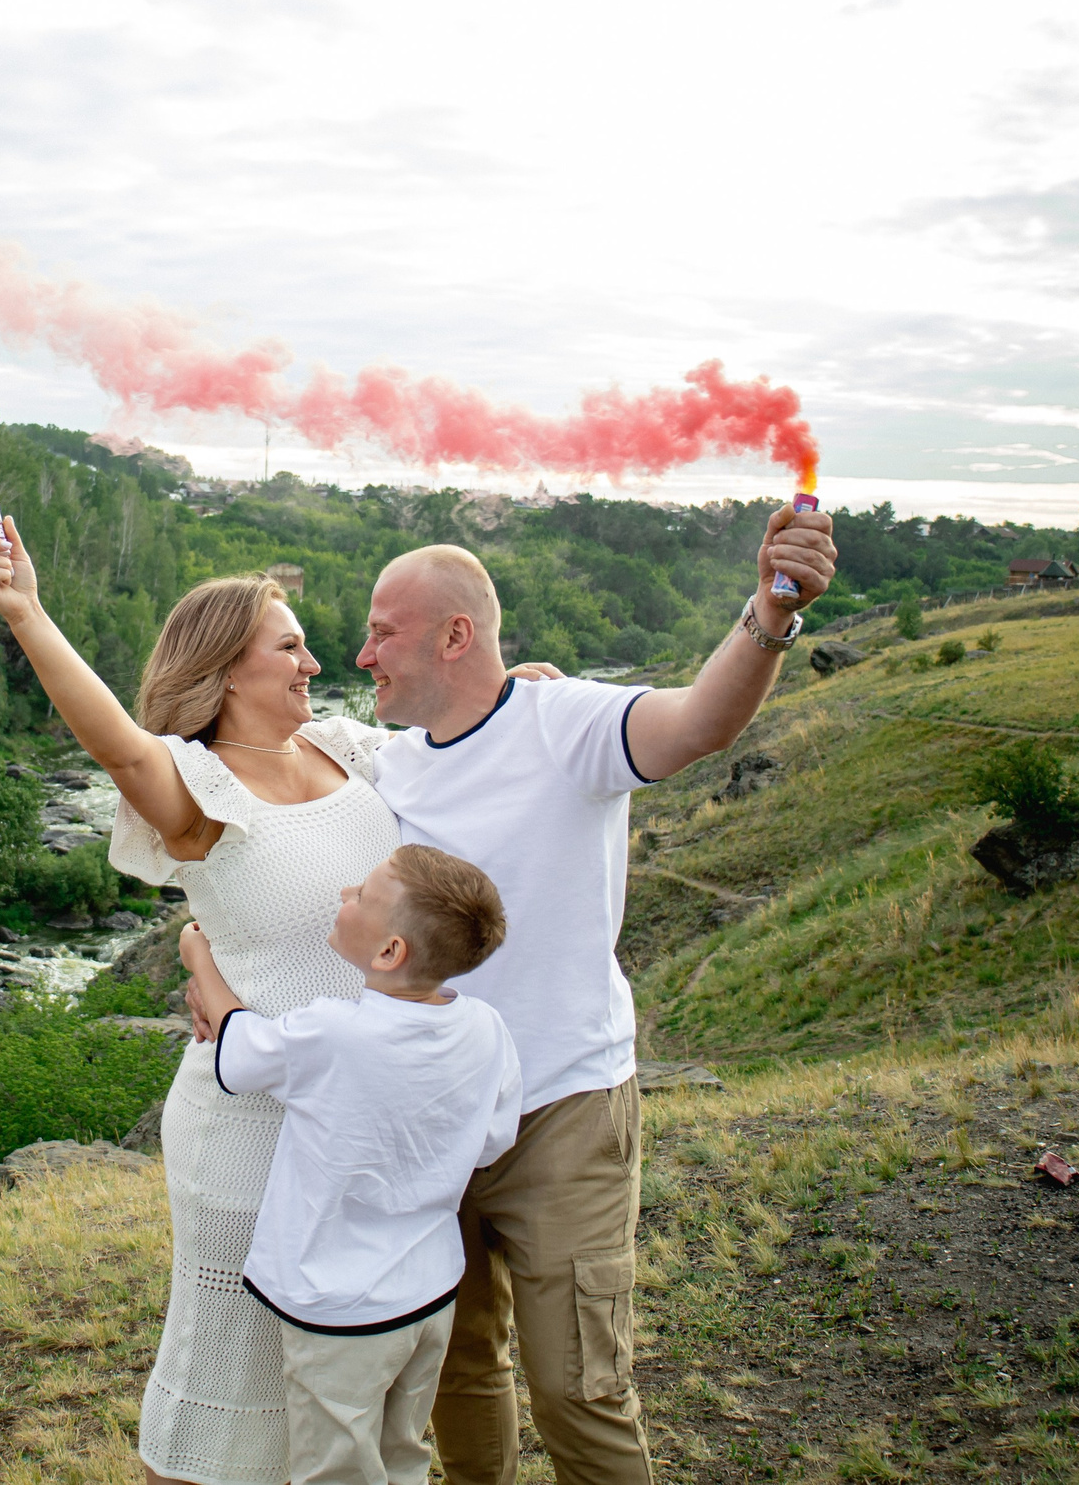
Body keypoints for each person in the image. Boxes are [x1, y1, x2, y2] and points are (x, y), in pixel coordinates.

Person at [0, 512, 557, 1485]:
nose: (315, 661)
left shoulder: (348, 750)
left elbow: (461, 729)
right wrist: (24, 609)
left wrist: (522, 688)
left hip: (364, 1125)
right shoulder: (195, 784)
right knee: (230, 1375)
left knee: (343, 1392)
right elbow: (116, 744)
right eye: (288, 645)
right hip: (250, 1122)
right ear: (225, 666)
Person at [353, 509, 836, 1485]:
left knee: (579, 1381)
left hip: (562, 1105)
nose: (360, 653)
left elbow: (699, 720)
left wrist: (772, 609)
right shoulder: (381, 764)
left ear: (455, 635)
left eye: (380, 630)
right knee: (453, 1362)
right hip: (432, 1114)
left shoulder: (565, 720)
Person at [178, 844, 523, 1485]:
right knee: (402, 1454)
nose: (343, 895)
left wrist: (200, 957)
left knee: (335, 1469)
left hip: (339, 1308)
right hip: (430, 1291)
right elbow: (492, 1141)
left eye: (361, 895)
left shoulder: (335, 1032)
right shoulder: (486, 1027)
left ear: (390, 951)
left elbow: (241, 1052)